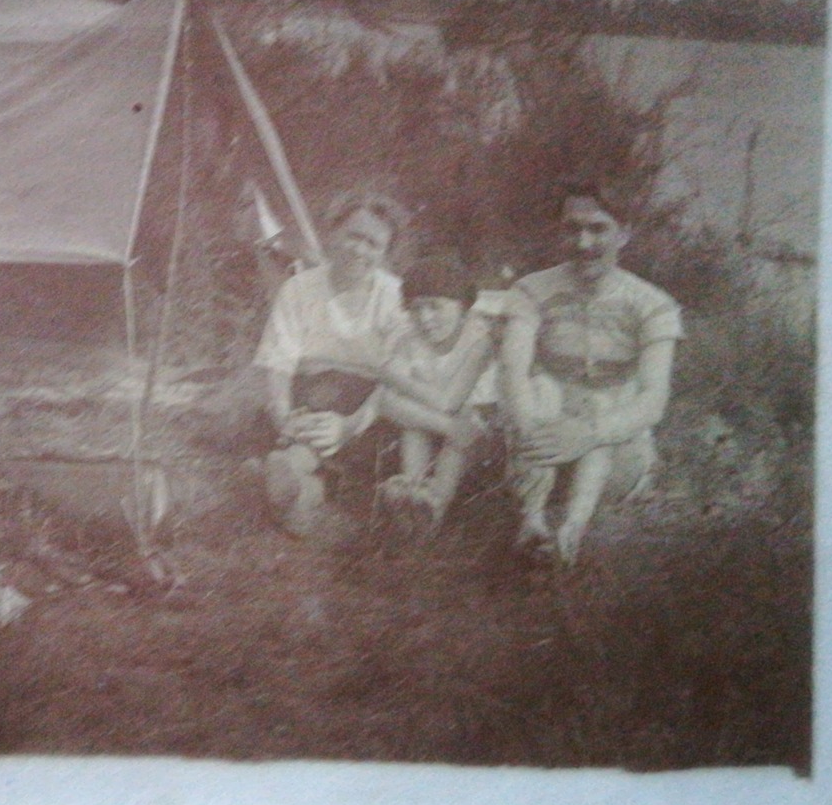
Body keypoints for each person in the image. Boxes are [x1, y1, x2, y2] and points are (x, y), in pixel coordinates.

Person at [253, 193, 466, 535]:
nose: (359, 250)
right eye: (353, 236)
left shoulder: (396, 298)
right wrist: (282, 416)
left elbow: (398, 376)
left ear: (386, 253)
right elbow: (278, 361)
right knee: (323, 399)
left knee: (368, 429)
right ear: (333, 233)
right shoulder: (299, 289)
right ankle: (297, 480)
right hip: (312, 397)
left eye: (373, 244)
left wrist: (349, 426)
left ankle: (293, 475)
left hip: (371, 407)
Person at [499, 182, 683, 564]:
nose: (583, 243)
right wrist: (534, 433)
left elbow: (653, 400)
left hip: (612, 453)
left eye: (598, 229)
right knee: (537, 387)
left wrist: (587, 432)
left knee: (608, 407)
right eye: (572, 229)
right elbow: (512, 371)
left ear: (624, 233)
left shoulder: (653, 305)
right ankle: (532, 521)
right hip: (541, 447)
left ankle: (571, 532)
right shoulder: (531, 290)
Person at [371, 256, 500, 533]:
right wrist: (449, 427)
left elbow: (450, 401)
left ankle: (436, 503)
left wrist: (391, 375)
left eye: (435, 306)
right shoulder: (409, 340)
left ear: (463, 306)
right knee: (412, 426)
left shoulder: (478, 341)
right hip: (445, 427)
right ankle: (412, 490)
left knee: (460, 425)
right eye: (416, 309)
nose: (425, 318)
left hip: (478, 433)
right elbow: (384, 403)